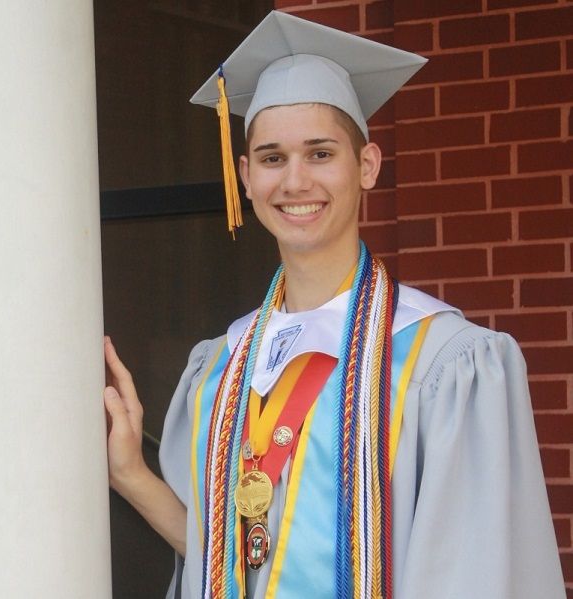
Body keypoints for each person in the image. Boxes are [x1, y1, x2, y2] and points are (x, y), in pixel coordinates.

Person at [103, 10, 565, 599]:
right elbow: (220, 564)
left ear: (366, 166)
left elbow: (473, 578)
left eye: (320, 154)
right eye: (272, 158)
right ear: (246, 176)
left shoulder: (442, 363)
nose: (295, 182)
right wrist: (130, 473)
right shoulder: (221, 366)